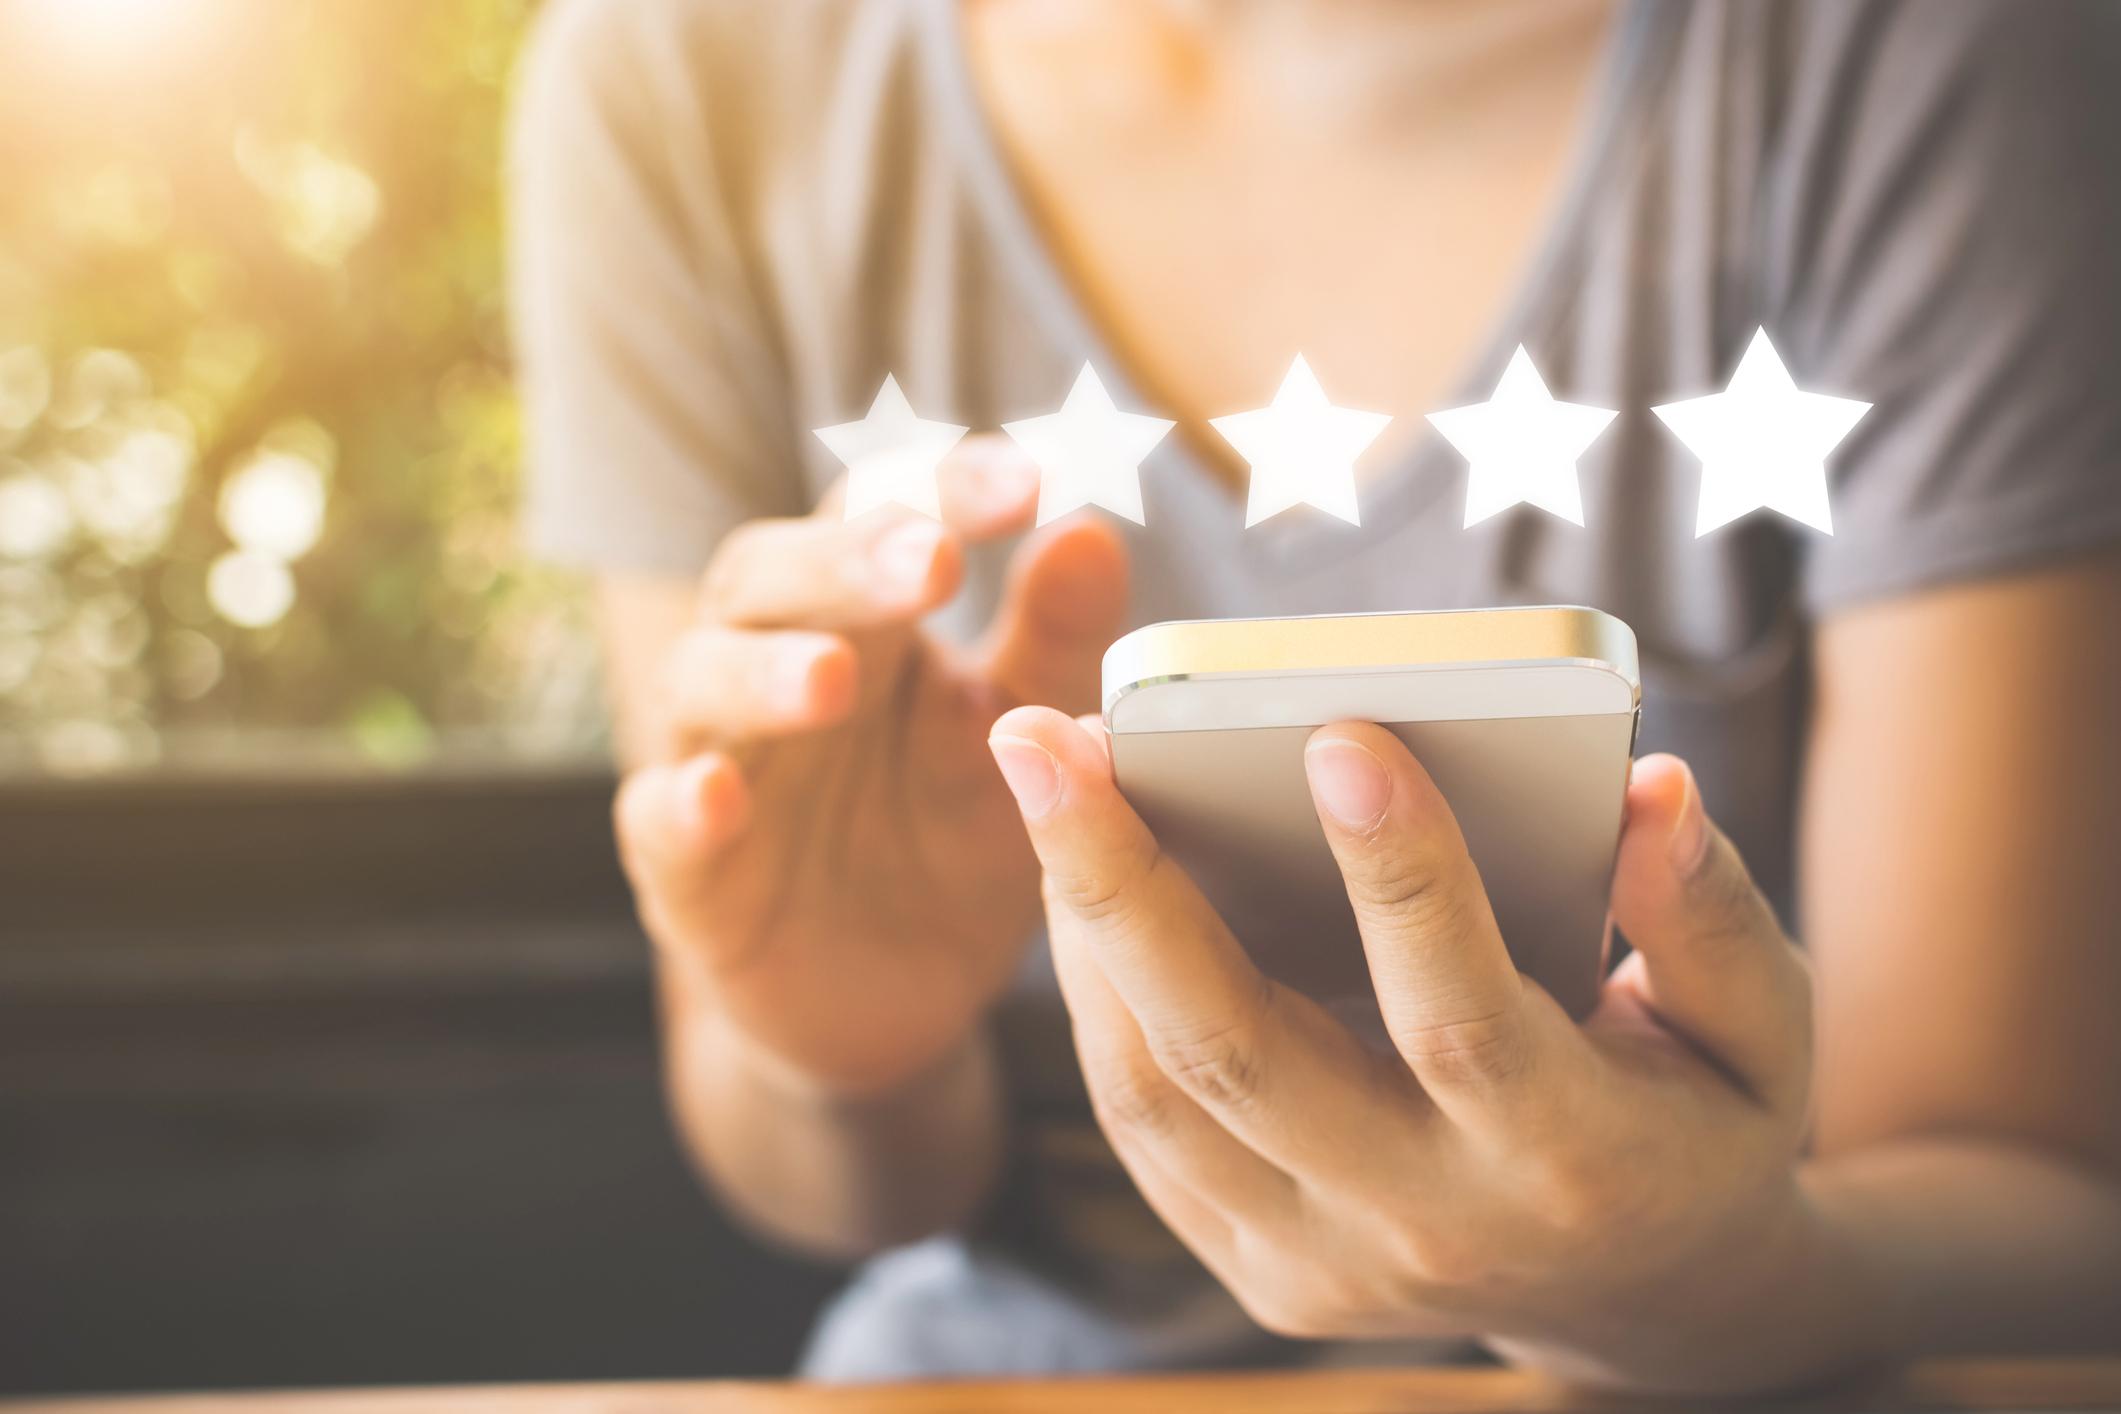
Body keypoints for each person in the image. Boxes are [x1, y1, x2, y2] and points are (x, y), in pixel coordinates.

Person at [507, 0, 2121, 1392]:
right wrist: (843, 1052)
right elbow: (821, 1177)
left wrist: (1701, 1288)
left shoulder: (1922, 57)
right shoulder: (687, 78)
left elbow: (2036, 1200)